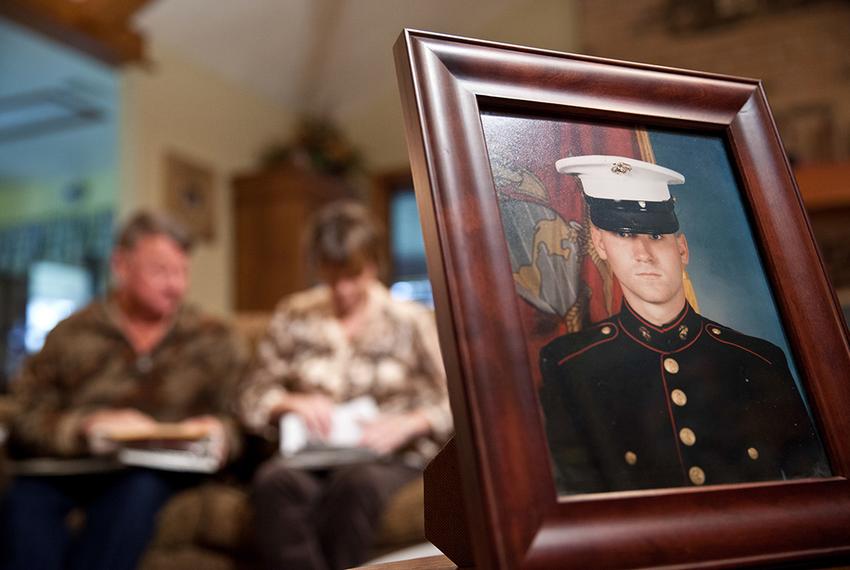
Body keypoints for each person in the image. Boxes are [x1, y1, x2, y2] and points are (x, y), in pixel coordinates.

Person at [539, 155, 828, 495]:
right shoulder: (569, 366)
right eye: (623, 234)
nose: (644, 253)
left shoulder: (760, 360)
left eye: (658, 236)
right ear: (601, 245)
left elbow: (814, 491)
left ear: (682, 248)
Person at [0, 212, 245, 570]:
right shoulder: (72, 334)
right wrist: (84, 427)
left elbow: (243, 419)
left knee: (138, 489)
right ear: (121, 265)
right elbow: (23, 414)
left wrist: (224, 434)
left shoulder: (213, 338)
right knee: (24, 504)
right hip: (74, 469)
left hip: (156, 474)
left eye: (182, 272)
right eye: (160, 270)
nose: (174, 285)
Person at [239, 200, 451, 570]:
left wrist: (410, 423)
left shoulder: (410, 321)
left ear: (373, 265)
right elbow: (251, 396)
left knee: (357, 486)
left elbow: (455, 402)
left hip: (387, 457)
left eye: (353, 275)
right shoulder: (294, 314)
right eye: (331, 274)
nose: (342, 289)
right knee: (273, 483)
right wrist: (290, 403)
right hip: (310, 454)